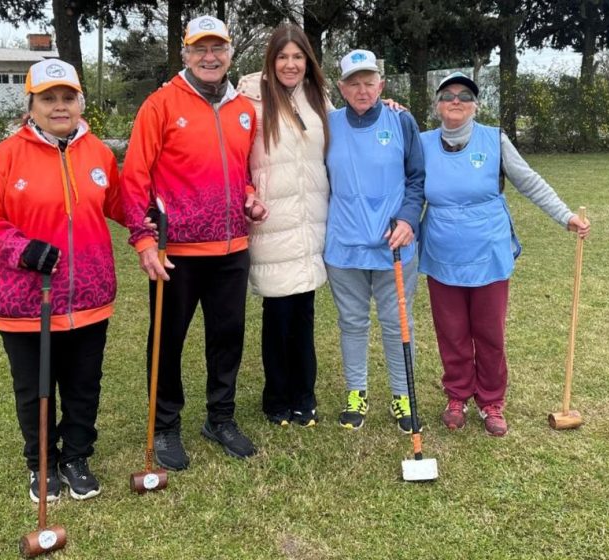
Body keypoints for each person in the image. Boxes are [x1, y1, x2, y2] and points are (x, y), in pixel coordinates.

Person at [0, 59, 125, 502]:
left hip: (90, 297)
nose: (59, 106)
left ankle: (77, 456)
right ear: (31, 104)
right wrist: (24, 249)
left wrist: (150, 216)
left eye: (67, 97)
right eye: (48, 98)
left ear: (80, 101)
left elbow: (119, 202)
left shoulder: (99, 153)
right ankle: (42, 463)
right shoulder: (7, 155)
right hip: (26, 303)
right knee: (35, 388)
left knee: (83, 385)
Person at [121, 15, 268, 471]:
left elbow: (241, 172)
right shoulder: (161, 105)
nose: (210, 57)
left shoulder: (243, 108)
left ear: (229, 55)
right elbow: (134, 177)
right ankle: (165, 426)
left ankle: (220, 418)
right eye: (200, 49)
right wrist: (143, 240)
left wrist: (249, 198)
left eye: (218, 49)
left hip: (231, 248)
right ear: (185, 54)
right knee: (167, 341)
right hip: (175, 252)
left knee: (227, 338)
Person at [420, 72, 591, 436]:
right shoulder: (420, 143)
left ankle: (491, 401)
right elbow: (404, 188)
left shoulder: (494, 139)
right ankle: (457, 395)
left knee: (489, 333)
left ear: (475, 105)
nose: (456, 100)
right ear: (436, 105)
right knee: (451, 332)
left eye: (464, 95)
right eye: (448, 95)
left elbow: (528, 180)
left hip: (489, 253)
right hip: (442, 255)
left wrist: (566, 215)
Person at [324, 49, 426, 433]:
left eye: (369, 82)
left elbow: (417, 178)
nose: (362, 90)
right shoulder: (328, 124)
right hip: (344, 246)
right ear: (341, 87)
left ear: (381, 85)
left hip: (394, 245)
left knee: (397, 322)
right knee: (351, 322)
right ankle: (356, 393)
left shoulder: (402, 121)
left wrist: (408, 219)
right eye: (354, 83)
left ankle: (403, 396)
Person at [236, 25, 330, 427]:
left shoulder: (318, 99)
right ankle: (276, 397)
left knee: (304, 314)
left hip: (311, 222)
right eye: (282, 57)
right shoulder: (249, 102)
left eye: (298, 56)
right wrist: (247, 195)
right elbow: (236, 159)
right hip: (272, 222)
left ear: (307, 61)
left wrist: (389, 107)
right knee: (278, 315)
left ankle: (304, 395)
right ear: (270, 61)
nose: (290, 65)